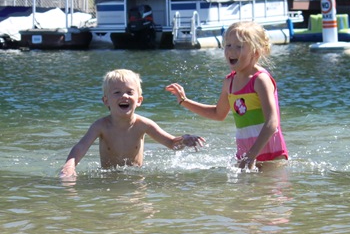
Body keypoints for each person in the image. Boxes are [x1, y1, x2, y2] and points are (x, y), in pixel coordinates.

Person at [166, 21, 288, 170]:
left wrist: (251, 155)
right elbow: (218, 113)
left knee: (268, 192)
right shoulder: (229, 82)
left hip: (271, 156)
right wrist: (184, 101)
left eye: (239, 46)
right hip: (245, 155)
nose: (231, 50)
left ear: (255, 52)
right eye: (228, 45)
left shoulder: (260, 79)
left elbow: (272, 122)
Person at [60, 69, 205, 178]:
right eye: (117, 92)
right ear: (106, 101)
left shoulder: (143, 124)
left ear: (139, 100)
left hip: (136, 177)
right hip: (108, 178)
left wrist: (184, 139)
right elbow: (81, 146)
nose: (124, 96)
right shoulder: (101, 126)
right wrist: (70, 165)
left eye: (130, 92)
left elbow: (172, 143)